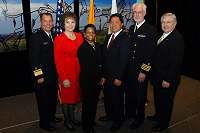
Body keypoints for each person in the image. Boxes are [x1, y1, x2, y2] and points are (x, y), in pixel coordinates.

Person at [147, 13, 185, 132]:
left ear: (175, 23)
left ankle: (163, 124)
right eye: (163, 22)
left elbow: (175, 63)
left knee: (166, 102)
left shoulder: (177, 39)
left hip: (167, 79)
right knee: (158, 99)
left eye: (168, 22)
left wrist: (168, 79)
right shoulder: (161, 34)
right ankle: (158, 116)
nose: (165, 24)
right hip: (158, 77)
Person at [124, 2, 158, 129]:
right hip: (130, 70)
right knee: (130, 94)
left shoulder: (151, 30)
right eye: (135, 12)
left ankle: (139, 119)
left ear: (144, 14)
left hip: (140, 71)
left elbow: (150, 54)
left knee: (140, 96)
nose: (137, 14)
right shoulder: (132, 28)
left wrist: (144, 71)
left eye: (140, 12)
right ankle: (130, 114)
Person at [99, 13, 133, 132]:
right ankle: (110, 115)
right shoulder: (109, 37)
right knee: (108, 98)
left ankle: (118, 120)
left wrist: (119, 78)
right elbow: (105, 59)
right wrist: (103, 75)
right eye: (111, 22)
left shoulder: (125, 40)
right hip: (107, 77)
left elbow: (124, 61)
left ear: (122, 24)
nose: (113, 25)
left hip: (117, 78)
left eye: (116, 22)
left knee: (117, 100)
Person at [29, 13, 62, 131]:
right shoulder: (36, 37)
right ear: (40, 23)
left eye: (50, 21)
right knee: (43, 100)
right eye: (45, 21)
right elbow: (34, 59)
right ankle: (43, 122)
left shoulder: (53, 35)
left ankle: (51, 117)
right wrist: (39, 75)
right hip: (42, 77)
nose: (48, 23)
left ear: (53, 22)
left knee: (52, 98)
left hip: (53, 75)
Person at [54, 12, 84, 131]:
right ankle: (67, 121)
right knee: (66, 100)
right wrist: (64, 78)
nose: (70, 24)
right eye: (67, 22)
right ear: (63, 24)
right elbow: (58, 61)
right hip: (67, 75)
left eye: (72, 22)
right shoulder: (59, 39)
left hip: (79, 74)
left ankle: (72, 117)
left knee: (74, 98)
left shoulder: (79, 36)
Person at [77, 24, 106, 133]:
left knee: (94, 103)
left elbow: (102, 63)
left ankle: (91, 120)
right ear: (84, 34)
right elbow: (86, 68)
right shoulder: (82, 48)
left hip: (98, 81)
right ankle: (87, 127)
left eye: (93, 32)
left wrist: (103, 76)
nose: (91, 34)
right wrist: (97, 79)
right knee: (87, 105)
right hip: (88, 82)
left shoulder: (98, 45)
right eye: (88, 32)